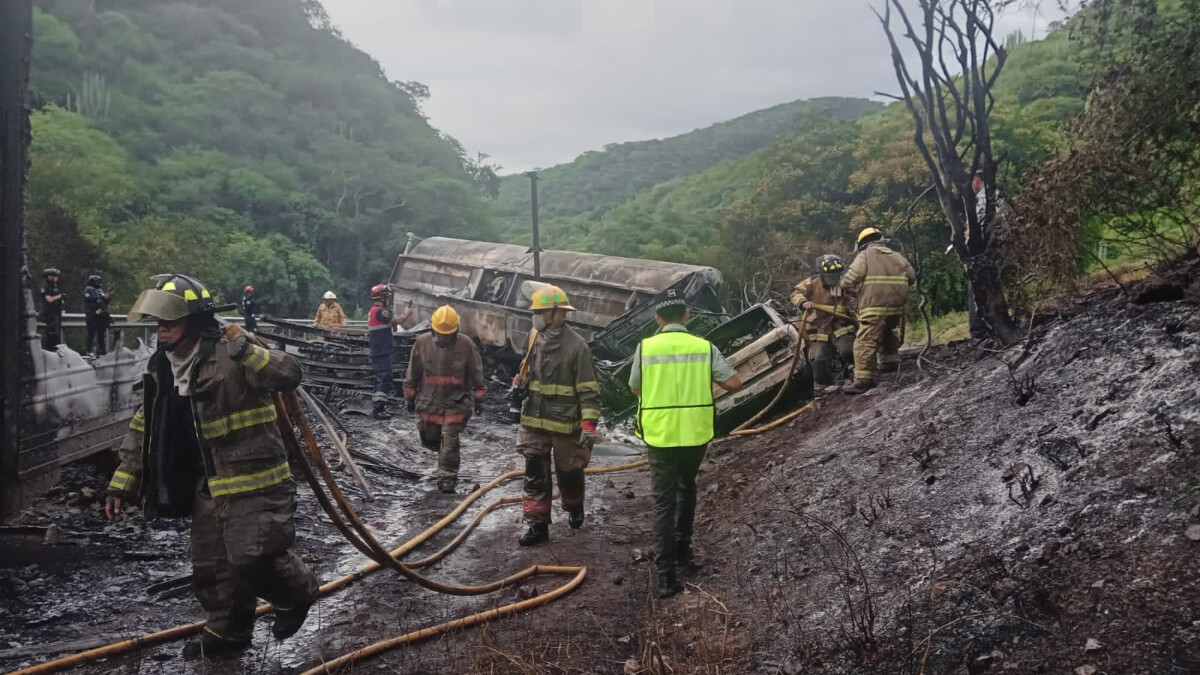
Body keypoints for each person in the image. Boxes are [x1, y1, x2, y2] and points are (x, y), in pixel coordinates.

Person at [104, 274, 318, 660]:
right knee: (212, 565)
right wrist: (122, 482)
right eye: (158, 323)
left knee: (252, 555)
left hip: (255, 480)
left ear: (195, 321)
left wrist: (248, 352)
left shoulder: (231, 350)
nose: (161, 331)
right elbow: (145, 425)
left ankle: (298, 593)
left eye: (169, 322)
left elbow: (290, 374)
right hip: (209, 482)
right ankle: (227, 632)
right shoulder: (163, 366)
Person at [629, 290, 742, 598]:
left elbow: (635, 387)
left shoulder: (646, 347)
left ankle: (665, 576)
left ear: (658, 319)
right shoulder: (703, 347)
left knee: (663, 502)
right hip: (695, 434)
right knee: (687, 487)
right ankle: (683, 549)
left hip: (660, 435)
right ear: (687, 316)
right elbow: (734, 382)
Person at [513, 284, 601, 546]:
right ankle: (537, 525)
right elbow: (526, 372)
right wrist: (518, 385)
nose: (535, 316)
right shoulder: (533, 338)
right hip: (534, 421)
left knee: (569, 472)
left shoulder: (577, 347)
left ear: (556, 313)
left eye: (540, 311)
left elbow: (589, 390)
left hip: (565, 424)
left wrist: (589, 424)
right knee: (534, 473)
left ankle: (574, 506)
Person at [403, 305, 486, 493]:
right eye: (440, 334)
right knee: (430, 438)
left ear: (455, 330)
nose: (443, 338)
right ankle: (442, 461)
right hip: (429, 401)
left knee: (449, 439)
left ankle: (447, 478)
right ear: (433, 329)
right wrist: (409, 395)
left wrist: (479, 396)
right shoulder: (422, 343)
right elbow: (413, 371)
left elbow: (476, 371)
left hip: (456, 402)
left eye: (447, 334)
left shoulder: (465, 345)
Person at [840, 228, 916, 394]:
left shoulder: (865, 256)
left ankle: (862, 380)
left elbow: (848, 281)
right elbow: (911, 277)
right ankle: (890, 364)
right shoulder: (897, 256)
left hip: (873, 307)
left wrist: (849, 288)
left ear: (863, 243)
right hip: (896, 307)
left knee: (864, 341)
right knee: (887, 333)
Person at [790, 254, 857, 389]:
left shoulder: (845, 281)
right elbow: (796, 293)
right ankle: (824, 388)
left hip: (840, 322)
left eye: (837, 276)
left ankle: (859, 374)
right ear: (822, 275)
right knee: (818, 357)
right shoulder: (813, 282)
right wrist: (803, 303)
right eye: (830, 277)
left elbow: (861, 292)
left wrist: (852, 294)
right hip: (820, 324)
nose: (834, 280)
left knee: (848, 349)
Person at [367, 284, 413, 419]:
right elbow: (398, 320)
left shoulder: (375, 311)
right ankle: (379, 409)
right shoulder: (379, 311)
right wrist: (407, 313)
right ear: (382, 298)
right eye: (387, 297)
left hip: (379, 350)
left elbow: (390, 322)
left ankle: (379, 407)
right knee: (385, 379)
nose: (389, 299)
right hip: (381, 351)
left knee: (380, 379)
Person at [83, 274, 113, 357]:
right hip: (92, 313)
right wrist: (102, 297)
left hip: (100, 313)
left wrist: (107, 298)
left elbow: (104, 302)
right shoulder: (88, 290)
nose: (99, 284)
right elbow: (91, 298)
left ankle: (101, 350)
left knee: (101, 333)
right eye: (98, 282)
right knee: (91, 333)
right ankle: (88, 350)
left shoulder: (99, 290)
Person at [40, 267, 64, 351]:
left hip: (56, 313)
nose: (57, 278)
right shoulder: (45, 286)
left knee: (56, 335)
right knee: (50, 334)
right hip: (49, 314)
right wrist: (60, 296)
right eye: (55, 276)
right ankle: (49, 350)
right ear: (49, 276)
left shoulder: (54, 286)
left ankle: (55, 350)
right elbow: (49, 299)